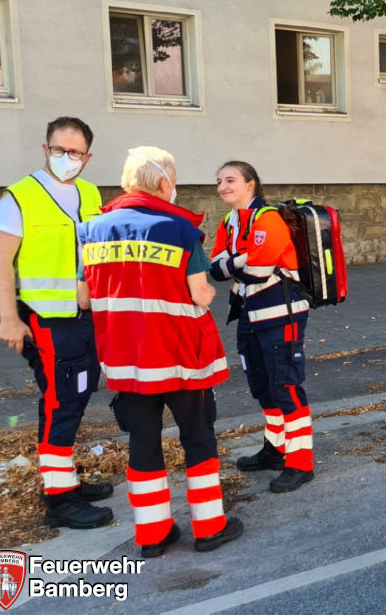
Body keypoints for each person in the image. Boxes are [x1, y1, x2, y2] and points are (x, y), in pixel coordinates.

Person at [78, 147, 243, 556]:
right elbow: (201, 294)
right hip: (179, 356)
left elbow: (83, 298)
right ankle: (209, 528)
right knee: (197, 437)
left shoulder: (91, 229)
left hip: (127, 359)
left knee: (143, 441)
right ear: (164, 182)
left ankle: (152, 535)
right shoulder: (180, 229)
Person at [0, 117, 114, 530]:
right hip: (47, 320)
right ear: (46, 149)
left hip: (84, 319)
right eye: (58, 149)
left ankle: (65, 480)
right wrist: (8, 318)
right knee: (62, 402)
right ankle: (60, 500)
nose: (66, 157)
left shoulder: (90, 193)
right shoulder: (20, 196)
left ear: (87, 157)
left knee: (75, 396)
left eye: (75, 152)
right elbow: (0, 263)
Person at [210, 162, 315, 493]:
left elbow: (257, 272)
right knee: (262, 386)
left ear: (250, 184)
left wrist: (235, 261)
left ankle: (300, 462)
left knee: (285, 386)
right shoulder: (229, 222)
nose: (223, 187)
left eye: (230, 180)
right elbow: (215, 269)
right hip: (248, 314)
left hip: (281, 314)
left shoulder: (268, 219)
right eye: (219, 181)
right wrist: (243, 258)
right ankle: (276, 448)